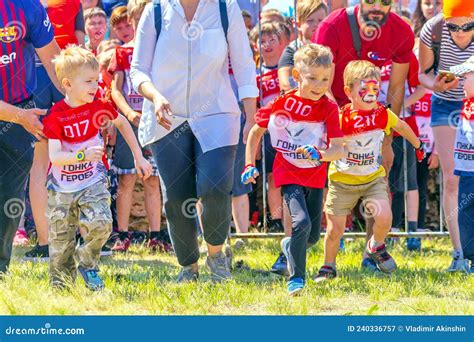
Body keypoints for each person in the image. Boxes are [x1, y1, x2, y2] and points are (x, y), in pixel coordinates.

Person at [131, 0, 258, 282]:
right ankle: (188, 265)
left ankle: (216, 256)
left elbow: (244, 63)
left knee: (214, 187)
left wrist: (251, 116)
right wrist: (154, 96)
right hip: (167, 116)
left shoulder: (226, 8)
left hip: (217, 113)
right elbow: (138, 69)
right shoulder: (155, 11)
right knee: (178, 198)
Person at [313, 0, 415, 270]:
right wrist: (339, 128)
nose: (377, 7)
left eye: (385, 2)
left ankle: (371, 254)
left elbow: (395, 90)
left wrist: (386, 140)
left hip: (373, 121)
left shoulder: (402, 31)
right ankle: (304, 246)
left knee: (376, 176)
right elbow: (320, 82)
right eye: (371, 0)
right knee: (322, 181)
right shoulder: (331, 27)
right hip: (329, 113)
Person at [43, 46, 152, 290]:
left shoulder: (98, 107)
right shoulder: (56, 115)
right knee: (61, 241)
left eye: (96, 80)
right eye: (89, 81)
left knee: (102, 223)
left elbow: (122, 123)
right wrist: (81, 154)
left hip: (93, 180)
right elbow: (55, 156)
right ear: (68, 84)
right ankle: (61, 285)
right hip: (61, 186)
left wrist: (138, 156)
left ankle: (88, 264)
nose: (95, 86)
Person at [243, 44, 344, 295]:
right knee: (300, 223)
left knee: (310, 237)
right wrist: (248, 164)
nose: (320, 85)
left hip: (315, 175)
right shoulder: (282, 102)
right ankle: (296, 279)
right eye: (312, 79)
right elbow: (255, 133)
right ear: (297, 77)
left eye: (325, 79)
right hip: (288, 172)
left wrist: (319, 154)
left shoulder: (329, 108)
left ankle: (290, 247)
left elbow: (339, 149)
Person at [317, 60, 426, 281]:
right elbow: (324, 140)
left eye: (375, 89)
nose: (371, 94)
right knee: (334, 229)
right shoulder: (340, 118)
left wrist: (418, 146)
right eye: (364, 89)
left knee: (385, 216)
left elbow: (402, 127)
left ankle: (376, 245)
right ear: (349, 92)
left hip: (371, 180)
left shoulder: (382, 114)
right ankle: (328, 266)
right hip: (342, 181)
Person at [0, 0, 61, 273]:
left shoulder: (27, 6)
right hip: (18, 115)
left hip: (21, 110)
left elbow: (53, 60)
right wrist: (19, 116)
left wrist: (79, 105)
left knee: (9, 196)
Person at [25, 0, 85, 261]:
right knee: (75, 159)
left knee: (39, 165)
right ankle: (83, 234)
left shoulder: (22, 5)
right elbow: (79, 47)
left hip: (34, 79)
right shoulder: (73, 3)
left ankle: (45, 240)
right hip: (65, 79)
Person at [418, 0, 474, 271]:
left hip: (472, 103)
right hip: (445, 104)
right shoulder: (432, 29)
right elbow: (423, 74)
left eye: (468, 26)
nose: (461, 33)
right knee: (452, 179)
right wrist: (436, 84)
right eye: (454, 27)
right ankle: (459, 252)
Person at [109, 0, 169, 253]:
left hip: (155, 120)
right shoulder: (122, 52)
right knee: (126, 177)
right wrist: (128, 113)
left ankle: (156, 235)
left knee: (153, 180)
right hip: (130, 122)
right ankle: (122, 234)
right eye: (135, 20)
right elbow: (115, 89)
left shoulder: (162, 49)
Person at [450, 56, 474, 274]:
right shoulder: (468, 105)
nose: (461, 82)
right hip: (466, 169)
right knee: (466, 214)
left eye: (465, 77)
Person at [279, 0, 328, 92]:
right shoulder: (291, 51)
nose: (316, 25)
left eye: (320, 20)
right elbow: (285, 85)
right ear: (298, 24)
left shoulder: (332, 46)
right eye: (310, 21)